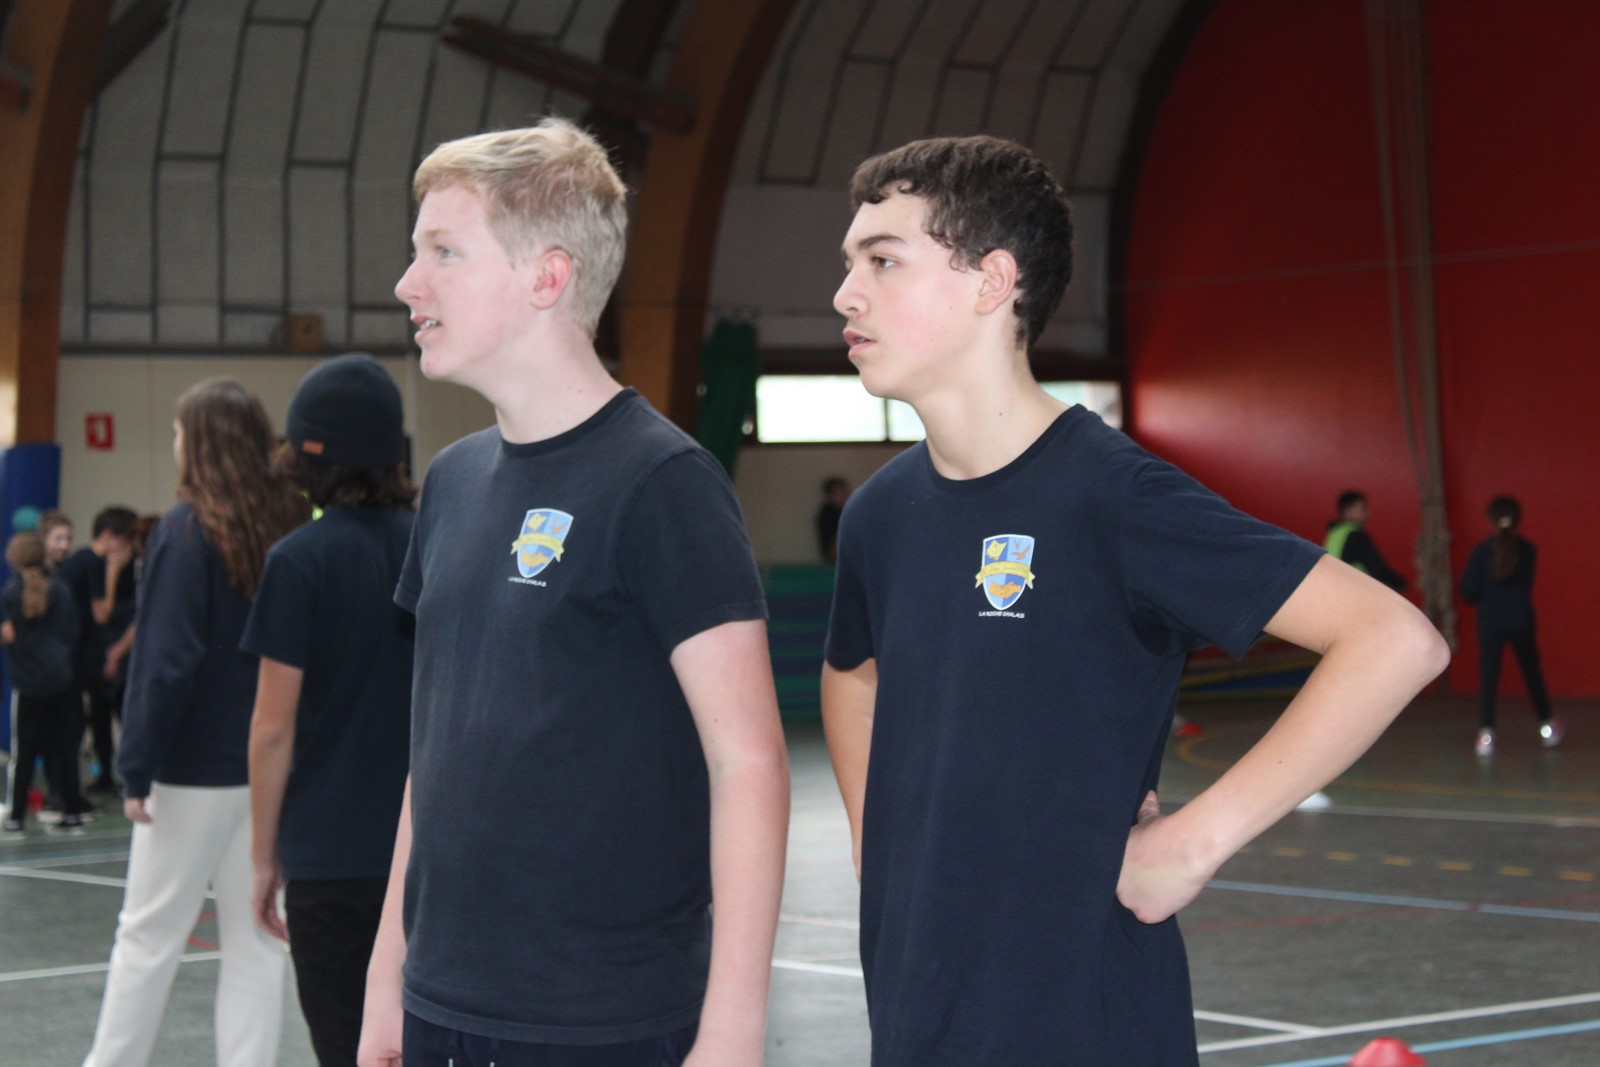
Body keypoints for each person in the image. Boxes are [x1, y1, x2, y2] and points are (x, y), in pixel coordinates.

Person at [820, 135, 1449, 1065]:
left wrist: (1191, 845)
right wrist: (880, 852)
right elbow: (854, 674)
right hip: (918, 1005)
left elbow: (1394, 639)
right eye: (848, 264)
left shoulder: (1113, 497)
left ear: (992, 282)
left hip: (1087, 1016)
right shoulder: (880, 515)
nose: (846, 294)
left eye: (882, 261)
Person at [361, 117, 790, 1067]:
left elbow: (750, 763)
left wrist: (733, 1030)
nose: (408, 283)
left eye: (443, 251)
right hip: (441, 1004)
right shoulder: (451, 482)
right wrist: (387, 974)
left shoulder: (664, 484)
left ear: (547, 277)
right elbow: (431, 757)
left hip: (604, 1022)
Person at [82, 378, 310, 1067]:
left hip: (191, 774)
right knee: (258, 940)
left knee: (148, 938)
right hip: (270, 768)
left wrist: (135, 767)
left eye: (180, 431)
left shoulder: (184, 531)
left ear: (200, 442)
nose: (175, 442)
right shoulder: (289, 521)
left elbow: (165, 662)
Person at [242, 353, 417, 1066]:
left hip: (332, 858)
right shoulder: (436, 543)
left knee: (348, 1048)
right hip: (432, 852)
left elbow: (272, 728)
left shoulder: (298, 561)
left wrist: (262, 858)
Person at [1459, 495, 1561, 756]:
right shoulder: (1528, 550)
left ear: (1490, 519)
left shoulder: (1481, 552)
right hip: (1521, 620)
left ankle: (1486, 736)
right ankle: (1547, 728)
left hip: (1490, 622)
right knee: (1532, 673)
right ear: (1518, 519)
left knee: (1489, 679)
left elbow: (1468, 592)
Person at [1, 533, 83, 834]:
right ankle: (72, 811)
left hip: (29, 682)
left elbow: (8, 634)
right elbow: (73, 631)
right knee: (66, 748)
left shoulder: (12, 593)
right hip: (62, 677)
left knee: (23, 751)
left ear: (14, 559)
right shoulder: (60, 589)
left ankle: (16, 816)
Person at [57, 505, 140, 795]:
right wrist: (113, 571)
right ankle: (92, 780)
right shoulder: (91, 563)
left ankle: (109, 774)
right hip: (82, 653)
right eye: (125, 539)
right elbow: (102, 614)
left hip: (91, 651)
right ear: (108, 535)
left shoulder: (94, 562)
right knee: (92, 717)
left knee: (106, 714)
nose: (129, 548)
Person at [1323, 490, 1406, 592]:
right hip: (1352, 592)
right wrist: (1399, 583)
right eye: (1363, 508)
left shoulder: (1334, 534)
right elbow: (1377, 569)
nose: (1368, 513)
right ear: (1349, 510)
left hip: (1332, 591)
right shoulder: (1356, 536)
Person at [815, 476, 851, 563]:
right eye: (838, 495)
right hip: (835, 559)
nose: (843, 497)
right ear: (829, 496)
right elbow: (832, 547)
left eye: (844, 494)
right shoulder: (827, 515)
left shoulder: (849, 510)